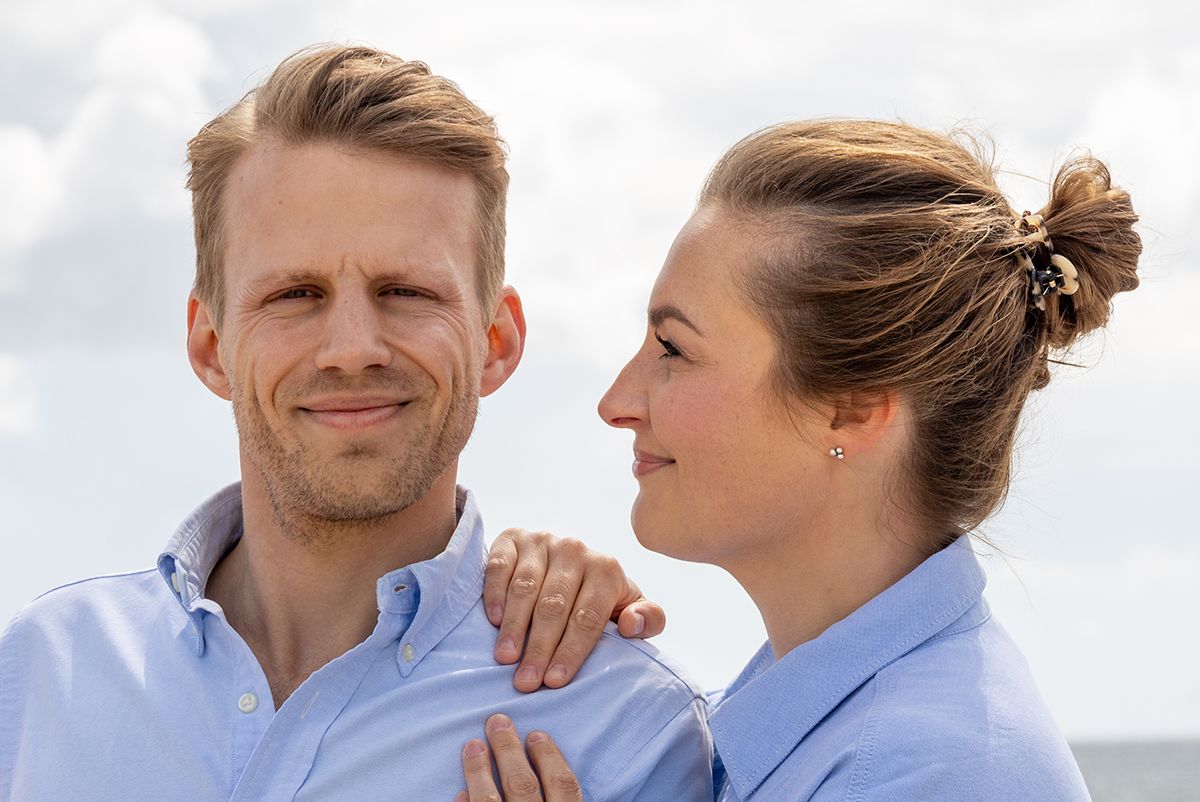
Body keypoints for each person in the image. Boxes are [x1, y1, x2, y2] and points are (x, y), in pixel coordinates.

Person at [0, 45, 713, 801]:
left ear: (495, 343)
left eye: (404, 291)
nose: (350, 350)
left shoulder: (629, 730)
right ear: (211, 346)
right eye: (294, 294)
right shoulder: (40, 676)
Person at [457, 120, 1141, 800]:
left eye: (673, 349)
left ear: (853, 407)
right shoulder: (822, 736)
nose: (615, 402)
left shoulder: (933, 774)